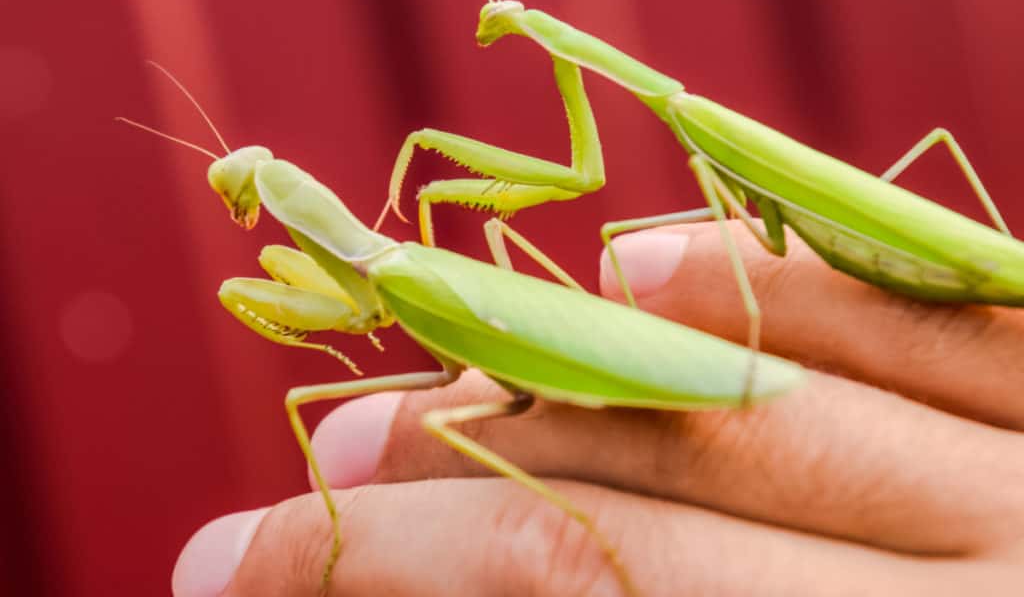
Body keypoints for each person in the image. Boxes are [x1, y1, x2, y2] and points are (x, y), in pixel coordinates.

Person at [171, 223, 1024, 596]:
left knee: (346, 407)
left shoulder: (393, 270)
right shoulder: (396, 263)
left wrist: (584, 546)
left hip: (610, 363)